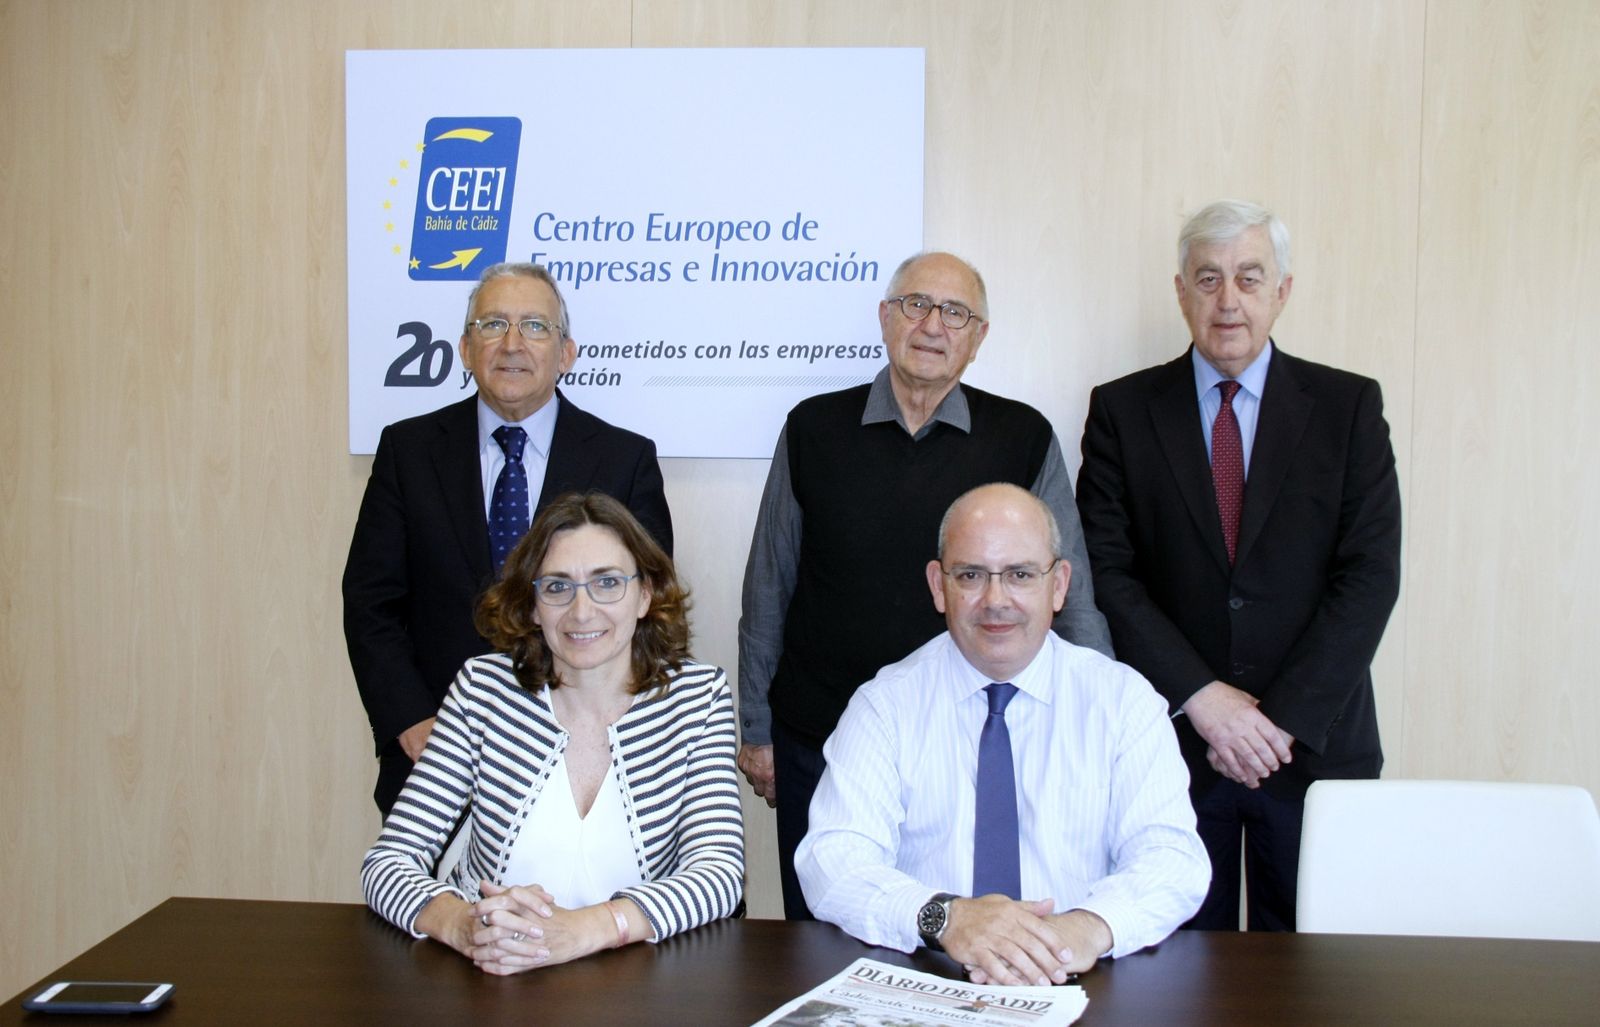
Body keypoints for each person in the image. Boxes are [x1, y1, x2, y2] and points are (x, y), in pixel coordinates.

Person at [738, 251, 1114, 919]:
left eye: (956, 312)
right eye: (916, 305)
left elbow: (1069, 590)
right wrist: (758, 729)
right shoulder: (812, 428)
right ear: (886, 317)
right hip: (815, 738)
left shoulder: (1023, 437)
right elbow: (767, 587)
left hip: (966, 742)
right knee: (818, 932)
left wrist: (1102, 716)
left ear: (979, 336)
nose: (933, 325)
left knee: (949, 931)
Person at [1075, 200, 1402, 931]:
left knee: (1318, 980)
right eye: (1209, 278)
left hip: (1315, 744)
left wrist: (1280, 720)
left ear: (1281, 291)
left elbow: (1370, 574)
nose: (1228, 301)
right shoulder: (1123, 411)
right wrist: (1203, 698)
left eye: (1249, 278)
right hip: (1175, 751)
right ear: (1181, 290)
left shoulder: (1348, 406)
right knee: (1179, 977)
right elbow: (1106, 573)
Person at [796, 484, 1207, 985]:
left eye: (1020, 575)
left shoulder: (1123, 702)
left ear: (1059, 585)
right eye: (970, 575)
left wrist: (1090, 926)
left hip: (1080, 979)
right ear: (937, 584)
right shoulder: (884, 706)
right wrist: (945, 917)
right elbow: (831, 861)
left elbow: (1173, 859)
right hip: (927, 980)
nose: (995, 600)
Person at [361, 492, 742, 973]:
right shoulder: (483, 690)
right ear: (533, 606)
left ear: (645, 595)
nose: (582, 612)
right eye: (558, 587)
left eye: (607, 583)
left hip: (639, 982)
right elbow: (388, 862)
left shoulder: (697, 697)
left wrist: (586, 930)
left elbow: (720, 874)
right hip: (489, 976)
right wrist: (464, 926)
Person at [344, 261, 673, 816]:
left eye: (535, 327)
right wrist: (410, 719)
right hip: (435, 759)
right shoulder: (408, 452)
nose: (513, 344)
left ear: (566, 354)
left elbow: (646, 607)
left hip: (585, 764)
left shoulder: (624, 460)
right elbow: (371, 603)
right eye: (492, 325)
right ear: (465, 349)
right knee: (438, 906)